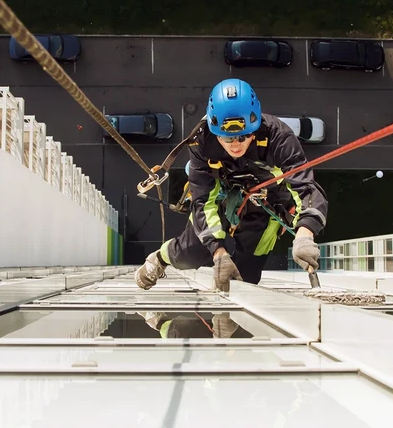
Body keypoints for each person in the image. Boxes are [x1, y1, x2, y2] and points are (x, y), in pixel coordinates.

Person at [135, 79, 327, 299]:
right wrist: (218, 253)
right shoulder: (201, 142)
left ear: (254, 128)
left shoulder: (278, 137)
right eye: (227, 138)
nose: (236, 144)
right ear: (215, 131)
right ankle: (160, 258)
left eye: (243, 136)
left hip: (267, 204)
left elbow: (304, 185)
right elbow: (203, 199)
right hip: (221, 197)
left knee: (246, 278)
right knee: (191, 253)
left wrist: (305, 232)